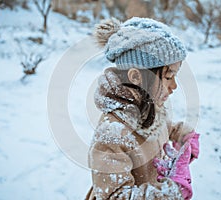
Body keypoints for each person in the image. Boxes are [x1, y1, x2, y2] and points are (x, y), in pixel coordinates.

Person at [85, 17, 199, 200]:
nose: (174, 86)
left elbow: (159, 126)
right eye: (168, 77)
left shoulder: (148, 107)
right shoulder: (112, 134)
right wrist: (168, 193)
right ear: (136, 77)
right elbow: (114, 196)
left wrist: (181, 133)